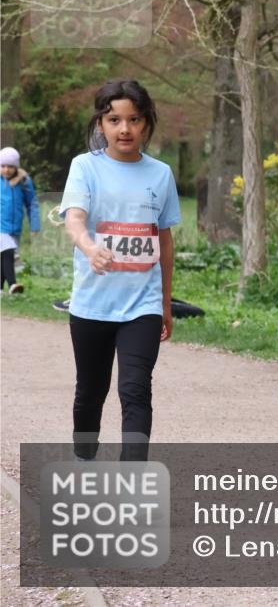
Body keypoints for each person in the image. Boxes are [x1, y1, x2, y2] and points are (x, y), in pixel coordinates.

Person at [59, 78, 180, 462]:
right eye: (114, 120)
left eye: (134, 119)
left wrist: (164, 302)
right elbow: (74, 218)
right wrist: (89, 247)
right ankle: (84, 456)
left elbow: (164, 241)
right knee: (91, 391)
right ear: (101, 124)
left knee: (135, 390)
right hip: (92, 303)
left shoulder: (160, 174)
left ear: (146, 123)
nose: (124, 129)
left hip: (142, 305)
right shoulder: (85, 167)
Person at [0, 146, 41, 294]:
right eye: (3, 166)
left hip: (15, 228)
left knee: (5, 256)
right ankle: (13, 284)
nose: (6, 170)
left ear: (16, 167)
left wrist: (34, 225)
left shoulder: (24, 182)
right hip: (1, 227)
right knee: (8, 252)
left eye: (10, 166)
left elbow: (32, 204)